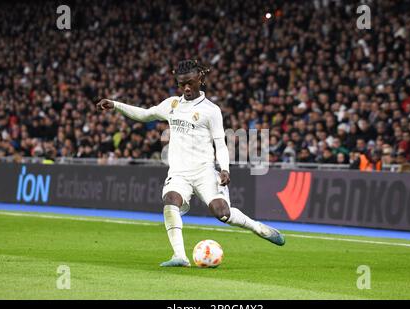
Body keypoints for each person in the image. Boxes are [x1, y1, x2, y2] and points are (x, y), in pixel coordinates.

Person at [96, 59, 285, 267]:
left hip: (204, 171)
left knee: (222, 213)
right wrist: (115, 105)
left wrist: (224, 168)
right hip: (179, 173)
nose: (186, 87)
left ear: (200, 80)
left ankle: (258, 228)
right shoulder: (172, 105)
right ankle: (180, 256)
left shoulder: (211, 110)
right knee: (170, 201)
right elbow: (145, 114)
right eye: (181, 83)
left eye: (191, 82)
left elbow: (220, 144)